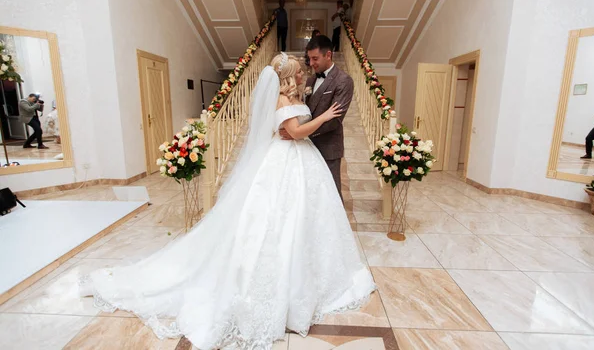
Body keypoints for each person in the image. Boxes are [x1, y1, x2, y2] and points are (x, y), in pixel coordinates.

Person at [79, 53, 375, 350]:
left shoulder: (291, 96)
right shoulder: (282, 101)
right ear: (288, 77)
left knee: (304, 218)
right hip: (287, 159)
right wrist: (323, 117)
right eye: (299, 72)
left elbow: (292, 128)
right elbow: (295, 132)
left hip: (301, 160)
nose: (303, 74)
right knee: (279, 220)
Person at [282, 36, 353, 198]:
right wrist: (296, 131)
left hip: (328, 147)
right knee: (311, 197)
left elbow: (334, 121)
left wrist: (299, 132)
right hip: (305, 148)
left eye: (315, 58)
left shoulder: (344, 81)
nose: (311, 63)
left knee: (331, 196)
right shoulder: (312, 79)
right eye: (310, 59)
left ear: (328, 55)